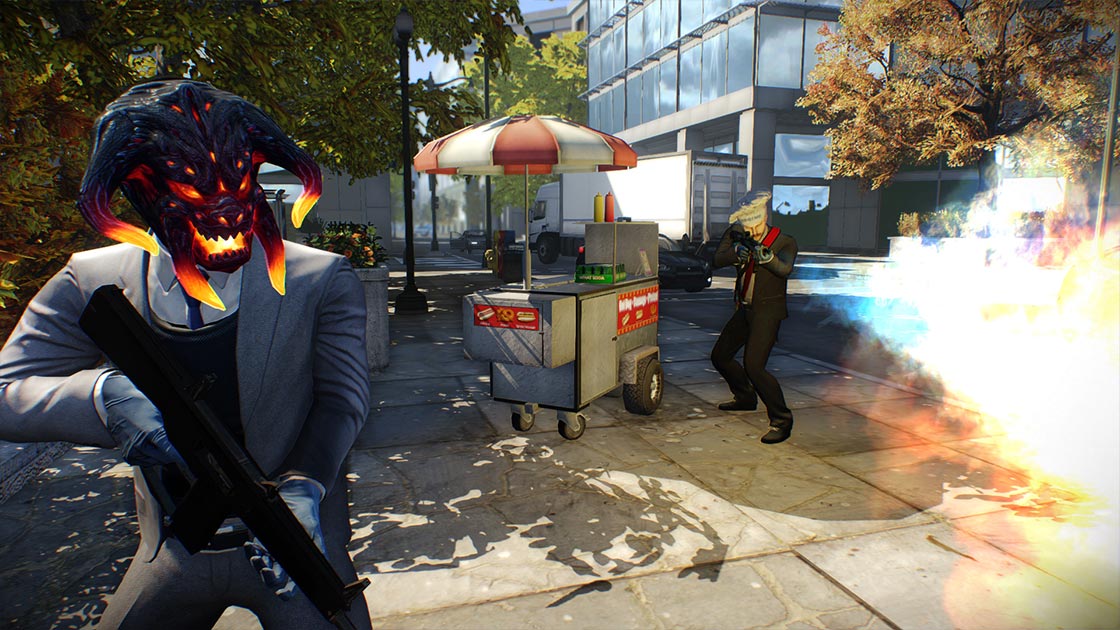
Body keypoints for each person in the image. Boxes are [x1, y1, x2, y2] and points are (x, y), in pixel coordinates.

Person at [0, 80, 372, 629]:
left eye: (240, 183)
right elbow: (7, 389)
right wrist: (102, 396)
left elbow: (343, 400)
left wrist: (305, 486)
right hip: (174, 551)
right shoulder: (92, 279)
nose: (228, 213)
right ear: (144, 188)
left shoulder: (319, 278)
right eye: (193, 190)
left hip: (296, 547)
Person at [710, 191, 798, 444]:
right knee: (720, 356)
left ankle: (781, 420)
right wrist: (735, 252)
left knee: (754, 367)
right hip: (745, 309)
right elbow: (717, 259)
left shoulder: (784, 241)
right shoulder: (737, 233)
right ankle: (745, 397)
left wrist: (767, 258)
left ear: (765, 214)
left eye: (755, 220)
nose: (751, 228)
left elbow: (785, 269)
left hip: (768, 311)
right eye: (746, 221)